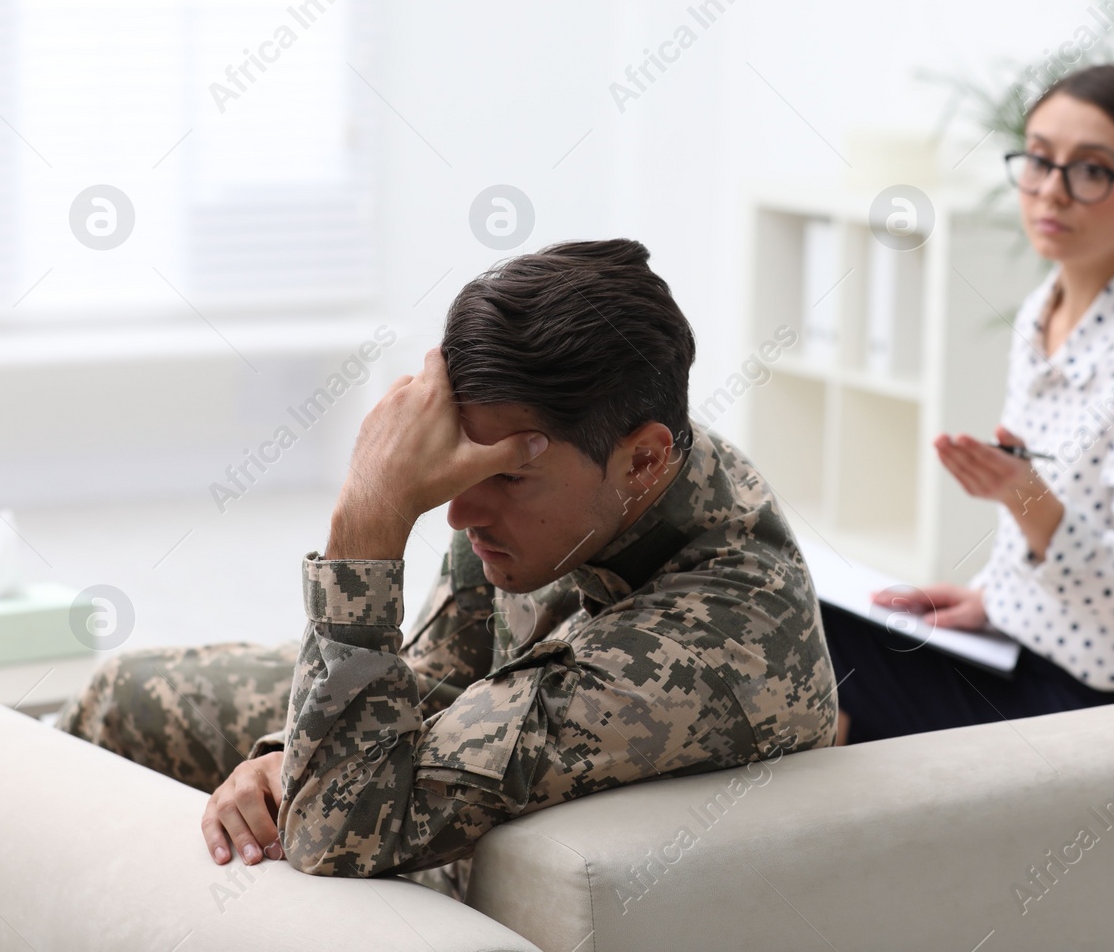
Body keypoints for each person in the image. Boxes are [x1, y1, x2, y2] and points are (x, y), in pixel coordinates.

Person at [58, 238, 838, 880]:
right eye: (461, 468)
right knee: (119, 693)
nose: (459, 512)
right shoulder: (593, 475)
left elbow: (340, 823)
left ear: (642, 460)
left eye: (505, 475)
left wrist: (368, 520)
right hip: (460, 743)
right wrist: (276, 758)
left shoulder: (704, 648)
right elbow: (437, 671)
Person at [823, 64, 1114, 745]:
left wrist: (1026, 497)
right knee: (831, 615)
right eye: (1038, 158)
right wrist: (993, 602)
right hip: (1037, 647)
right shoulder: (1045, 311)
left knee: (822, 643)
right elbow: (1064, 540)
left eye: (1091, 170)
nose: (1051, 190)